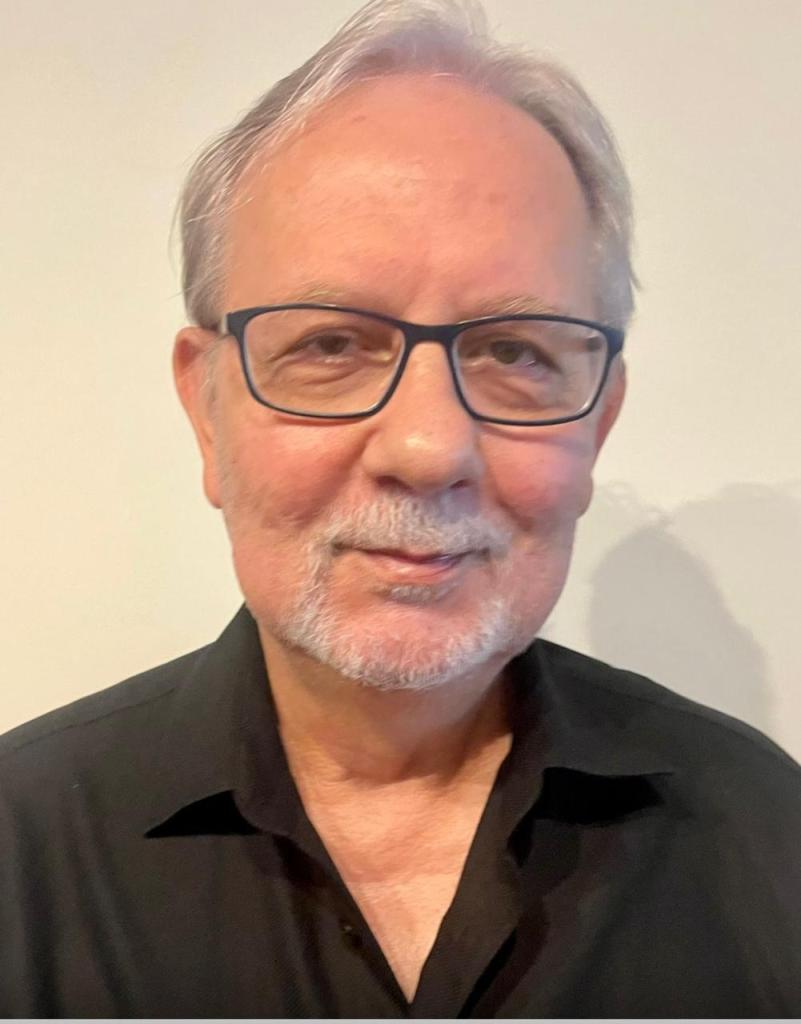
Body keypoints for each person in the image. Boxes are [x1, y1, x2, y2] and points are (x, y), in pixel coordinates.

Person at [1, 0, 799, 1016]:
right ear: (207, 413)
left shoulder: (765, 831)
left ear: (597, 425)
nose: (428, 450)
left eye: (514, 352)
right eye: (331, 345)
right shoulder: (19, 850)